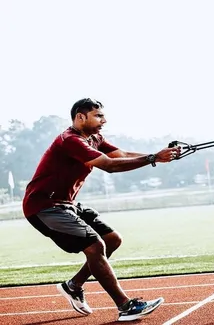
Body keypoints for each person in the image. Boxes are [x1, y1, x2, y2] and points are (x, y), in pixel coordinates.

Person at [22, 98, 181, 321]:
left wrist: (160, 156)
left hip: (67, 204)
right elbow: (110, 166)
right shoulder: (70, 141)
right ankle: (125, 306)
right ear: (80, 117)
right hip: (44, 206)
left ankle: (73, 285)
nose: (104, 120)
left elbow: (121, 155)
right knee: (95, 246)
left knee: (112, 240)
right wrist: (154, 158)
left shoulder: (94, 138)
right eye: (98, 116)